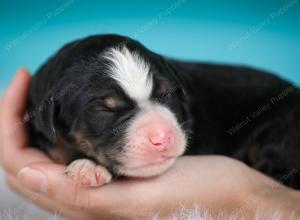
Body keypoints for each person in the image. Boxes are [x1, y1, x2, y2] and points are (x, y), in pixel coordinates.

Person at [0, 68, 299, 220]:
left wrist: (251, 197)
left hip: (281, 117)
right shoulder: (54, 109)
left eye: (164, 98)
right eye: (110, 109)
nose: (162, 134)